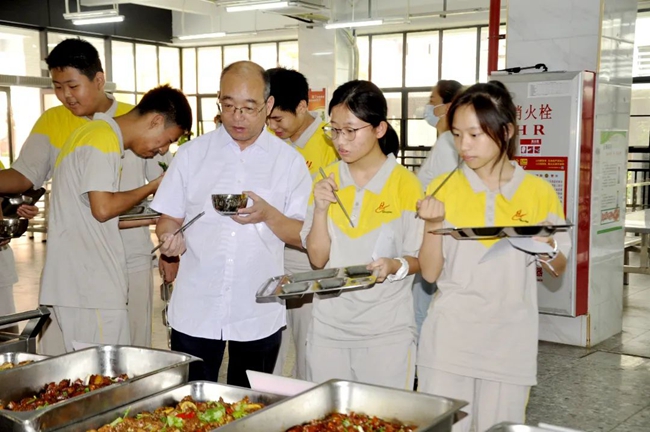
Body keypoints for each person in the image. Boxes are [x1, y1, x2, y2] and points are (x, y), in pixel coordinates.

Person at [0, 38, 174, 352]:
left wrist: (168, 251)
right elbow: (24, 175)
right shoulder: (55, 121)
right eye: (57, 86)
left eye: (73, 85)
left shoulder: (135, 120)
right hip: (76, 260)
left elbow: (166, 189)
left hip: (129, 258)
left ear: (98, 79)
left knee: (129, 352)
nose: (66, 95)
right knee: (66, 356)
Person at [416, 81, 570, 431]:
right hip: (450, 340)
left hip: (510, 340)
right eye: (457, 135)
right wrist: (434, 222)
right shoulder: (441, 186)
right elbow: (428, 273)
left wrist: (547, 245)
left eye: (475, 134)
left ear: (507, 131)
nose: (464, 146)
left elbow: (559, 266)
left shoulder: (537, 191)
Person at [152, 61, 312, 388]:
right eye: (228, 106)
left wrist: (269, 214)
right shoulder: (191, 156)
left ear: (268, 105)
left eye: (249, 108)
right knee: (190, 406)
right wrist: (170, 237)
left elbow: (303, 235)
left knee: (250, 409)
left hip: (258, 310)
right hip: (196, 307)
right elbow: (168, 218)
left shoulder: (289, 163)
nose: (237, 116)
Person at [39, 84, 191, 353]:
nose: (161, 149)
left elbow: (97, 216)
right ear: (156, 121)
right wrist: (154, 185)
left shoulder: (90, 133)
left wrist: (155, 219)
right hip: (91, 287)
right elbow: (103, 208)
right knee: (102, 381)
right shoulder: (103, 138)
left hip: (75, 285)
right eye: (167, 139)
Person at [302, 80, 424, 389]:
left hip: (386, 334)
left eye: (351, 130)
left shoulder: (405, 184)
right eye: (334, 130)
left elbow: (421, 258)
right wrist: (319, 209)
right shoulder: (324, 179)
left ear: (379, 129)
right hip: (329, 330)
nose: (341, 141)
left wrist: (395, 265)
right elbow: (317, 260)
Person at [266, 67, 338, 380]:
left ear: (301, 107)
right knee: (270, 339)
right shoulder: (269, 143)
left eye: (278, 118)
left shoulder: (331, 144)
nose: (272, 126)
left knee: (309, 340)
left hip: (310, 257)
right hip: (271, 252)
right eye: (268, 118)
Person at [413, 79, 464, 340]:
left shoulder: (448, 143)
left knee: (420, 307)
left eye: (433, 102)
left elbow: (446, 193)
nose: (428, 109)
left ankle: (420, 368)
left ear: (449, 106)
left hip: (436, 234)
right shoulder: (445, 142)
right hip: (435, 233)